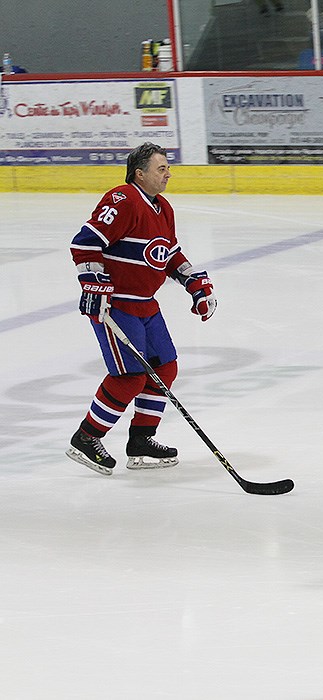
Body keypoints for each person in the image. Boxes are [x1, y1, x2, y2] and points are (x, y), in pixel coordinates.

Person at [66, 142, 217, 476]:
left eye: (167, 168)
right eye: (161, 168)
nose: (168, 174)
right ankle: (87, 437)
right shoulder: (122, 199)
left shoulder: (162, 207)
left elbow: (169, 253)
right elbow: (85, 243)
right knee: (130, 376)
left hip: (146, 304)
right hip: (115, 305)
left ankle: (141, 441)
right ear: (140, 173)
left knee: (164, 368)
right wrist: (93, 282)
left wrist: (195, 283)